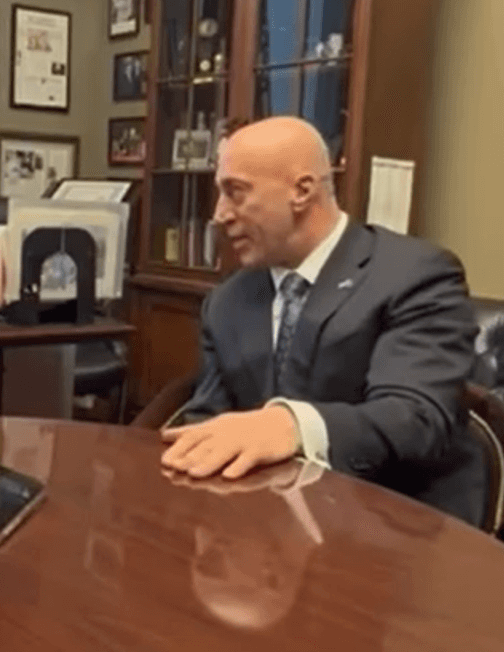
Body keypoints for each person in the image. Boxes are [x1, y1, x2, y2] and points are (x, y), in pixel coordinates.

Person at [160, 116, 486, 526]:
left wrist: (291, 426)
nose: (218, 214)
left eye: (235, 193)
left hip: (399, 525)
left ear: (302, 191)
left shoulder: (414, 275)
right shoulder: (228, 301)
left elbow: (416, 418)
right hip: (264, 526)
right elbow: (208, 422)